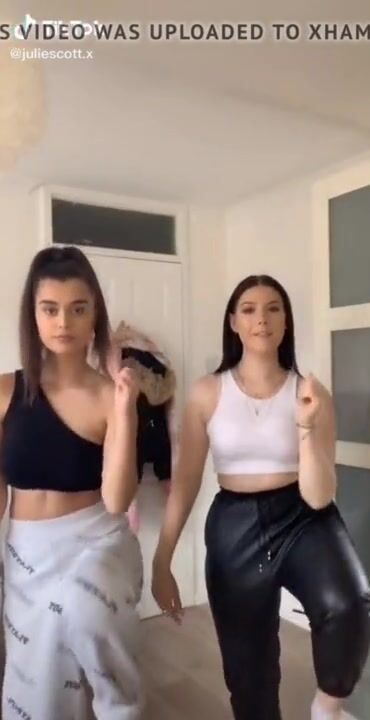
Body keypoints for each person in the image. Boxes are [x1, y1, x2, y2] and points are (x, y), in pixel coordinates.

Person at [152, 274, 370, 720]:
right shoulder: (206, 393)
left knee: (350, 607)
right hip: (234, 524)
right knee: (248, 672)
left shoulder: (310, 393)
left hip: (305, 518)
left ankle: (326, 709)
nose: (262, 319)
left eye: (274, 308)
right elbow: (187, 479)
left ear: (286, 321)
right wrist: (163, 559)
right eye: (249, 310)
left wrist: (306, 427)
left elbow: (319, 496)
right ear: (233, 322)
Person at [0, 246, 143, 720]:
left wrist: (125, 411)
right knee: (38, 693)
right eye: (50, 309)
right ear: (33, 315)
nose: (64, 322)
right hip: (27, 554)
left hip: (95, 544)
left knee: (88, 612)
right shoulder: (4, 391)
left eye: (78, 309)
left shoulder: (110, 396)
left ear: (94, 314)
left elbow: (117, 499)